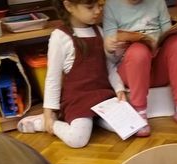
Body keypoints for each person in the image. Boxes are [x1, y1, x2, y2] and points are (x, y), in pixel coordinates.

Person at [17, 0, 127, 148]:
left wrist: (119, 89)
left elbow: (110, 67)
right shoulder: (59, 37)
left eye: (100, 6)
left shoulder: (100, 32)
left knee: (128, 126)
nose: (97, 11)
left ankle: (94, 119)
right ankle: (44, 123)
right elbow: (53, 78)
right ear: (69, 6)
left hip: (103, 96)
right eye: (90, 7)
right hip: (78, 100)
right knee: (77, 140)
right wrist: (49, 113)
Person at [104, 0, 177, 136]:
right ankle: (139, 112)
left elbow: (168, 34)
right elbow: (109, 55)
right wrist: (110, 46)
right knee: (138, 51)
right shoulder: (111, 5)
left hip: (157, 69)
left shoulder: (157, 2)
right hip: (131, 72)